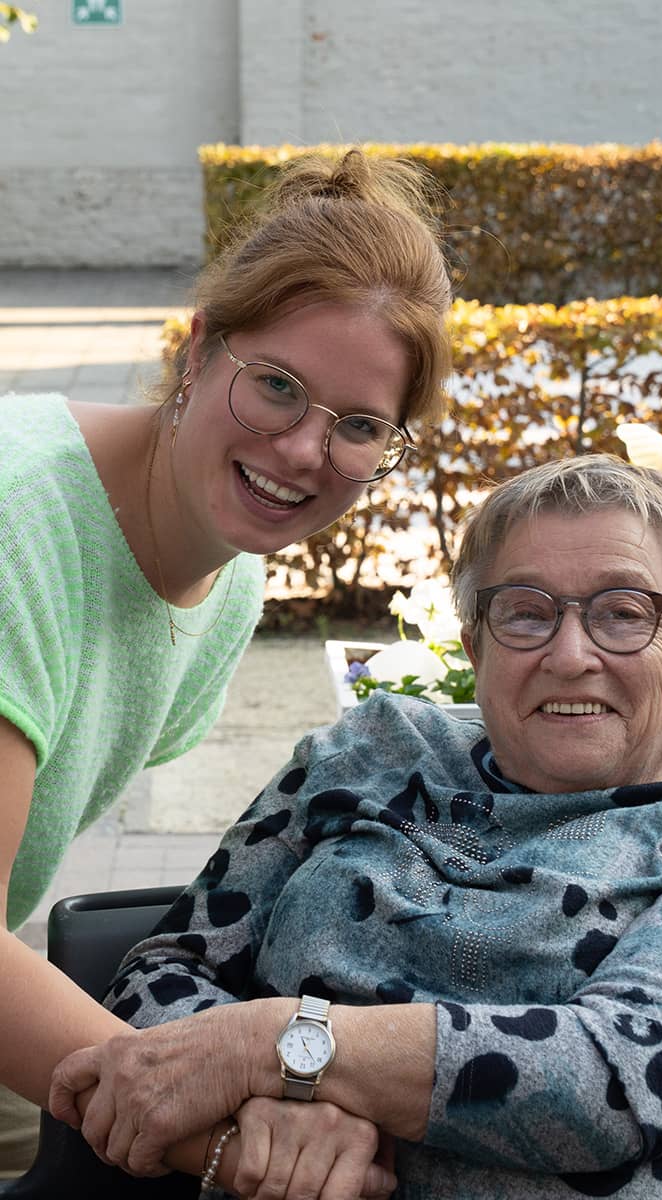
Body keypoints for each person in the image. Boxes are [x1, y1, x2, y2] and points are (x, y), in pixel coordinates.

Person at [50, 455, 662, 1199]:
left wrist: (276, 1047)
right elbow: (158, 976)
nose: (570, 652)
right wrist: (279, 1120)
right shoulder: (368, 753)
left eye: (624, 613)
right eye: (524, 612)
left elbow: (620, 1075)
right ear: (477, 649)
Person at [0, 146, 453, 1179]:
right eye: (278, 388)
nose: (302, 451)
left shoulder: (229, 577)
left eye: (357, 426)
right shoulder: (18, 521)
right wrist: (227, 1131)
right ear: (199, 351)